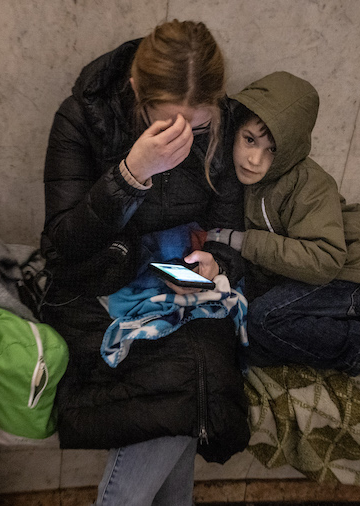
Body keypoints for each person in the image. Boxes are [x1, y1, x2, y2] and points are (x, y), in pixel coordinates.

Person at [37, 20, 250, 505]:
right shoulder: (83, 118)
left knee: (192, 383)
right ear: (136, 90)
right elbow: (62, 248)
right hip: (97, 287)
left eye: (195, 126)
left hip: (184, 297)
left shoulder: (225, 124)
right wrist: (131, 174)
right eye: (167, 124)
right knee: (176, 395)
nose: (183, 137)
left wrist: (215, 264)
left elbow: (229, 235)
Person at [207, 71, 360, 394]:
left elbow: (325, 259)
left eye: (272, 150)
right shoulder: (244, 179)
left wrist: (242, 242)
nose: (254, 159)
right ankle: (357, 332)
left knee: (264, 319)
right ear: (235, 132)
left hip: (350, 279)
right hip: (307, 280)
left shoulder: (309, 183)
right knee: (246, 345)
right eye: (250, 140)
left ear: (289, 151)